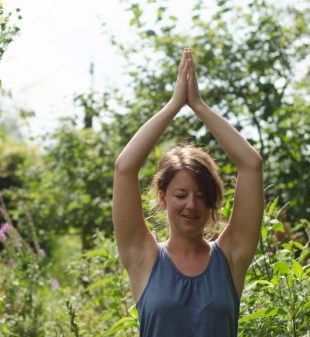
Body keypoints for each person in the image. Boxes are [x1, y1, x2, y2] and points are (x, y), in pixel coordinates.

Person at [112, 48, 264, 336]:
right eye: (180, 195)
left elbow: (251, 164)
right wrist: (173, 105)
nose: (191, 205)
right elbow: (124, 169)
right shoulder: (143, 258)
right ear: (163, 197)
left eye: (201, 195)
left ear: (212, 202)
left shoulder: (231, 257)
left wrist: (199, 105)